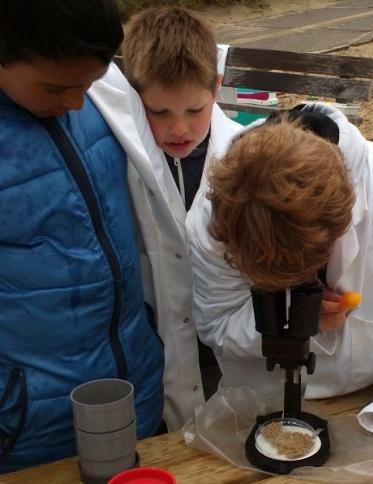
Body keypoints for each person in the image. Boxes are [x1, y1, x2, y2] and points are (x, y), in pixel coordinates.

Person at [186, 103, 373, 456]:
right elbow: (218, 322)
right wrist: (297, 322)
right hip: (256, 408)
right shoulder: (214, 215)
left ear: (340, 223)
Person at [0, 0, 201, 472]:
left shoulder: (99, 95)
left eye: (88, 84)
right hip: (31, 428)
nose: (75, 103)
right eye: (57, 87)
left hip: (139, 389)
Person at [122, 6, 242, 398]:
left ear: (217, 86)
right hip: (157, 354)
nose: (179, 128)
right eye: (159, 111)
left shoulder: (244, 153)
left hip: (230, 347)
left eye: (195, 110)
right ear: (132, 95)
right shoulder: (121, 162)